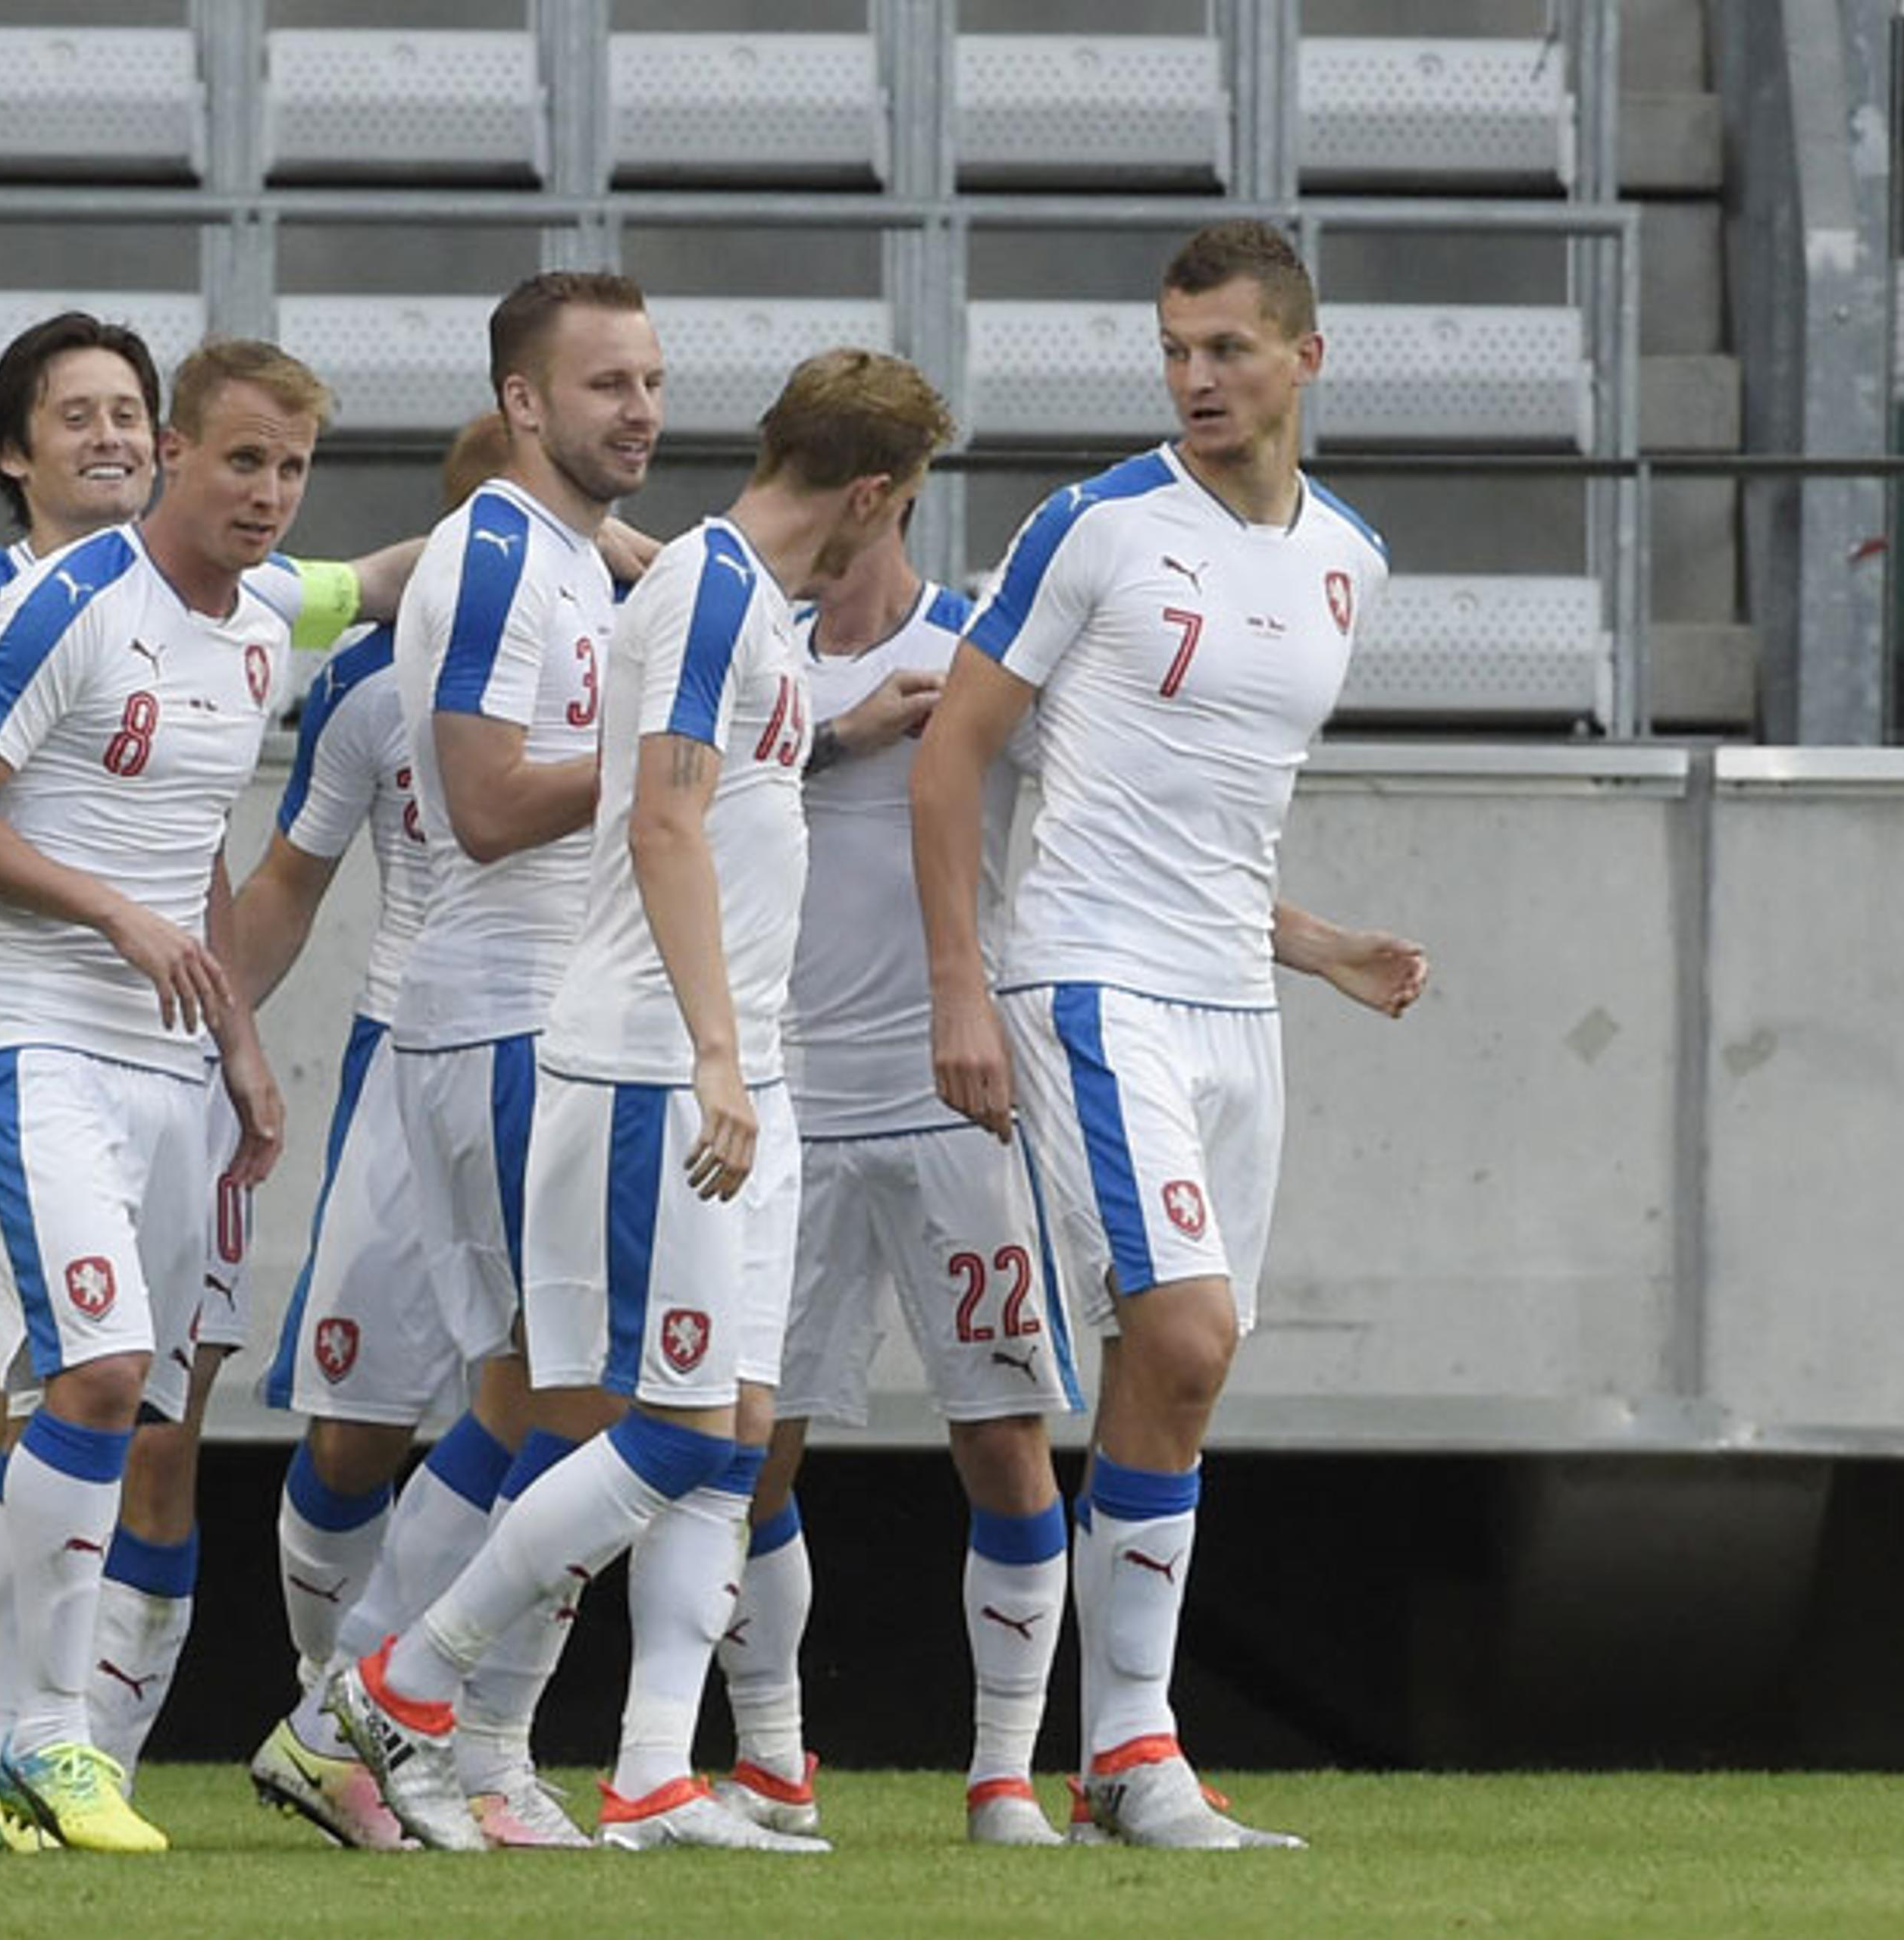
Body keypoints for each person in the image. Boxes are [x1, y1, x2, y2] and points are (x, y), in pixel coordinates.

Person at [327, 346, 954, 1855]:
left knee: (731, 1427)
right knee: (666, 1427)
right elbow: (662, 820)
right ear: (873, 492)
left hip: (741, 1058)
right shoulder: (719, 594)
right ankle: (398, 1685)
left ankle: (654, 1770)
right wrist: (720, 1052)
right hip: (655, 1064)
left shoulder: (738, 596)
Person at [910, 221, 1430, 1851]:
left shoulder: (1350, 556)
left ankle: (1124, 1761)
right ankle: (1125, 1746)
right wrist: (958, 984)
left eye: (1228, 350)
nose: (1197, 379)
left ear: (1304, 359)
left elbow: (1207, 823)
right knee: (1183, 1331)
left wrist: (1319, 943)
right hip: (1084, 981)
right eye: (1178, 351)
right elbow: (954, 761)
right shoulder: (1098, 526)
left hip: (1232, 994)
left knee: (1182, 1370)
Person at [0, 314, 412, 1851]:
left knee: (127, 1401)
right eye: (242, 458)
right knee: (93, 1374)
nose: (268, 493)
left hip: (172, 1061)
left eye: (292, 468)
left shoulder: (253, 629)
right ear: (175, 453)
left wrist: (241, 1043)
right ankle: (53, 1736)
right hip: (26, 1030)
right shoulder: (69, 600)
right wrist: (109, 911)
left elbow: (199, 863)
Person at [238, 397, 653, 1851]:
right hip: (422, 1048)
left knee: (547, 1399)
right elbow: (291, 877)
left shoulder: (604, 626)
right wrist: (215, 1029)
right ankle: (348, 1702)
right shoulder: (373, 682)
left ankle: (456, 1739)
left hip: (556, 1036)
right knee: (360, 1425)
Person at [710, 496, 1079, 1848]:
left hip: (949, 1104)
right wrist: (825, 737)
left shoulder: (978, 648)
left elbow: (1086, 822)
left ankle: (1002, 1777)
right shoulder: (764, 657)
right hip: (789, 1102)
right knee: (750, 1448)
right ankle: (770, 1765)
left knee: (1000, 1437)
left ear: (888, 499)